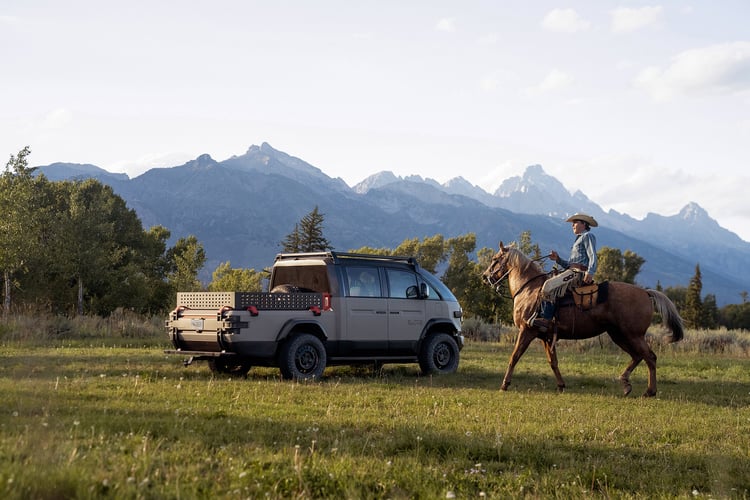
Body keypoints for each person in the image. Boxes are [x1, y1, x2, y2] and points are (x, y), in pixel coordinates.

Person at [528, 213, 598, 332]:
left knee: (548, 285)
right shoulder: (579, 239)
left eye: (575, 222)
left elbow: (593, 256)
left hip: (578, 273)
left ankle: (546, 319)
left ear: (584, 224)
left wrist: (590, 272)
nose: (572, 225)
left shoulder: (588, 236)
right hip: (572, 270)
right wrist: (558, 259)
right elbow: (571, 264)